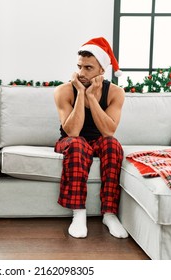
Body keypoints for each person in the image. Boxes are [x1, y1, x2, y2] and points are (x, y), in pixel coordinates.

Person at [53, 37, 128, 239]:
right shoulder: (63, 91)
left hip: (99, 140)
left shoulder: (115, 93)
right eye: (79, 67)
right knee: (77, 144)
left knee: (113, 145)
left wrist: (92, 97)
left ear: (101, 70)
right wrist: (80, 93)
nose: (81, 73)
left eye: (88, 68)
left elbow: (108, 132)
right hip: (70, 141)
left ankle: (109, 214)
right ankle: (78, 213)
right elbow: (73, 132)